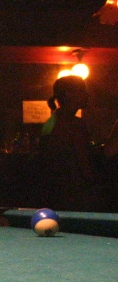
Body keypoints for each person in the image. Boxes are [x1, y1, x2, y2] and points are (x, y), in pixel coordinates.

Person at [38, 76, 111, 211]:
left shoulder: (54, 120)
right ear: (69, 94)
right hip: (75, 196)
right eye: (82, 90)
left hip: (57, 195)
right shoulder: (73, 124)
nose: (87, 94)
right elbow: (84, 165)